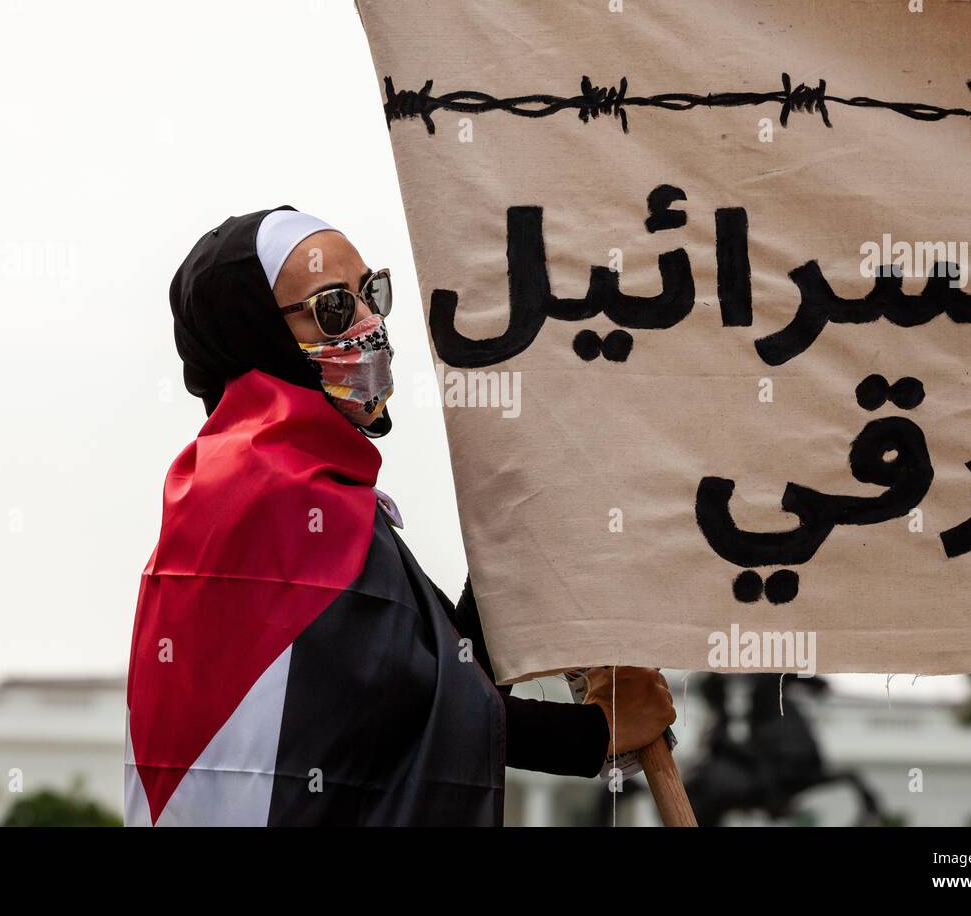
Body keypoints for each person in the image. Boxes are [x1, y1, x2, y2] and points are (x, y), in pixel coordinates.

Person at [125, 205, 676, 826]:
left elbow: (442, 670)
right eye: (335, 307)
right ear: (255, 333)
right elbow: (403, 708)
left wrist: (520, 520)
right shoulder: (265, 488)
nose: (370, 322)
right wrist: (594, 735)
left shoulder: (288, 482)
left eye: (372, 294)